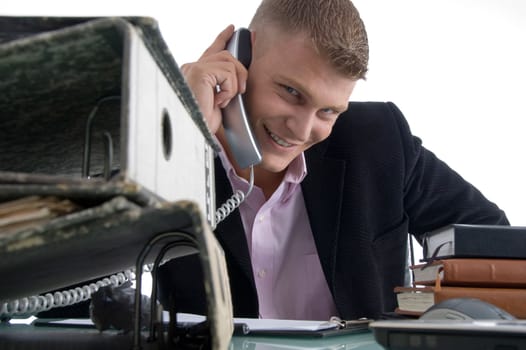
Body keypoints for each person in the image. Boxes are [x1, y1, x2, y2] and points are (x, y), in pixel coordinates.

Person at [158, 0, 508, 320]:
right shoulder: (167, 151)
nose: (302, 129)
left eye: (327, 111)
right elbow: (107, 278)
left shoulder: (379, 141)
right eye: (291, 92)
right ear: (241, 57)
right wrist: (186, 130)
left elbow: (492, 241)